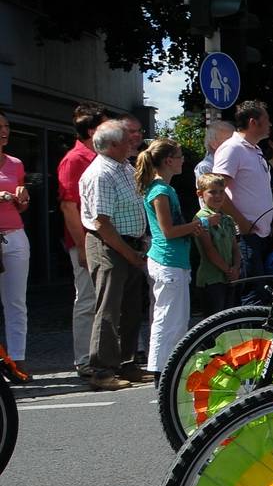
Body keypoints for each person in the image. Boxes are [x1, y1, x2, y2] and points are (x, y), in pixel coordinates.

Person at [79, 119, 149, 390]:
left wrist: (138, 243)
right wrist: (128, 252)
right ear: (112, 144)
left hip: (127, 244)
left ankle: (128, 363)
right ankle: (102, 370)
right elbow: (102, 222)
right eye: (126, 137)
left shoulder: (122, 166)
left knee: (131, 308)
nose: (133, 140)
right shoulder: (100, 173)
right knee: (108, 309)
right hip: (108, 245)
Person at [136, 140, 208, 375]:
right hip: (168, 261)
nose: (182, 161)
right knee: (168, 321)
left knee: (174, 320)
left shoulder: (164, 189)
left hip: (173, 261)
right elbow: (168, 231)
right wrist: (200, 224)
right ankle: (161, 371)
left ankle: (168, 368)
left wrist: (191, 227)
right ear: (169, 160)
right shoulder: (160, 191)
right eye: (179, 156)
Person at [57, 103, 105, 376]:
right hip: (86, 242)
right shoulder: (75, 159)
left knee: (100, 300)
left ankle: (98, 356)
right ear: (91, 130)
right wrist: (81, 247)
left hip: (98, 241)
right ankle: (84, 359)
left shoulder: (96, 157)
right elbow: (68, 206)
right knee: (87, 299)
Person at [212, 101, 273, 300]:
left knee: (260, 292)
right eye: (266, 119)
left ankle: (257, 331)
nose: (270, 124)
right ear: (253, 122)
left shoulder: (255, 150)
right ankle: (248, 332)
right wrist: (243, 222)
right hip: (245, 235)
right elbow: (216, 193)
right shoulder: (232, 149)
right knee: (252, 293)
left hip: (259, 234)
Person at [0, 112, 29, 365]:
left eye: (7, 126)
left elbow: (22, 206)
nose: (4, 131)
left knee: (16, 301)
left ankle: (17, 359)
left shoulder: (15, 163)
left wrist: (23, 198)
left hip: (15, 236)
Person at [192, 173, 240, 315]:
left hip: (230, 277)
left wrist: (236, 268)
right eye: (212, 192)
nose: (218, 196)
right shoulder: (201, 218)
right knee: (214, 320)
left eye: (221, 192)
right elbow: (209, 250)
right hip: (212, 278)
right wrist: (227, 270)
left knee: (228, 319)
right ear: (200, 194)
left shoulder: (228, 219)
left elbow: (235, 248)